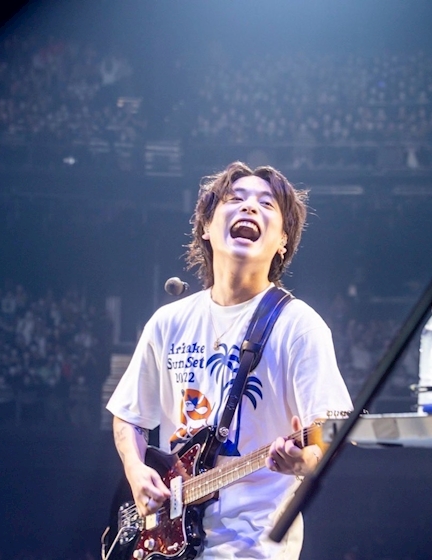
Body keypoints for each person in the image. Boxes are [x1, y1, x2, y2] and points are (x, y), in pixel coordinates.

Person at [106, 161, 353, 559]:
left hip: (253, 548)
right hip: (167, 545)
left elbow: (331, 433)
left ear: (283, 241)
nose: (249, 207)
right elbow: (129, 417)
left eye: (266, 204)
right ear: (206, 226)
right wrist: (136, 472)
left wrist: (303, 461)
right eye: (235, 199)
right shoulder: (168, 323)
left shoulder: (300, 327)